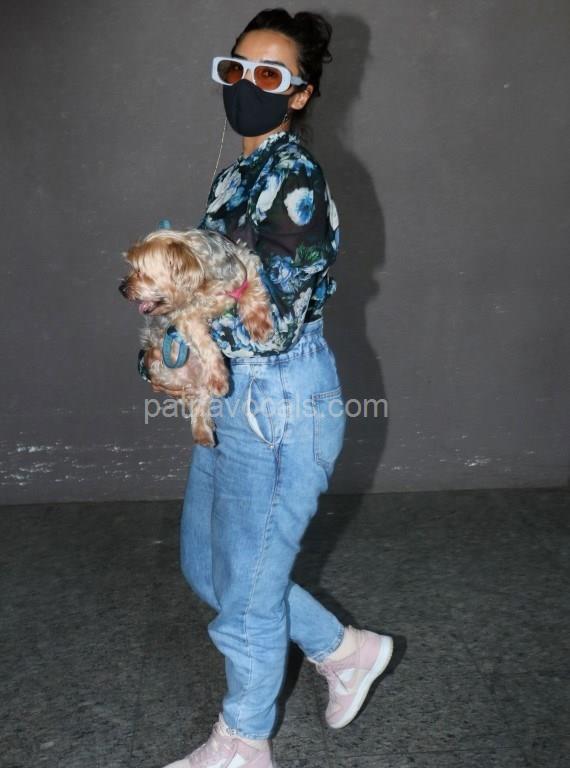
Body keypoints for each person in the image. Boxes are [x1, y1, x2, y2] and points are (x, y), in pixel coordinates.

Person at [140, 9, 394, 767]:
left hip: (278, 402)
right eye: (236, 68)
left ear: (300, 93)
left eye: (269, 74)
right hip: (229, 395)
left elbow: (271, 321)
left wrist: (179, 314)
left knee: (248, 594)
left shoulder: (295, 179)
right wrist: (175, 335)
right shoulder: (235, 177)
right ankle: (345, 650)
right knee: (210, 567)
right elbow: (204, 289)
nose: (247, 84)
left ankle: (244, 742)